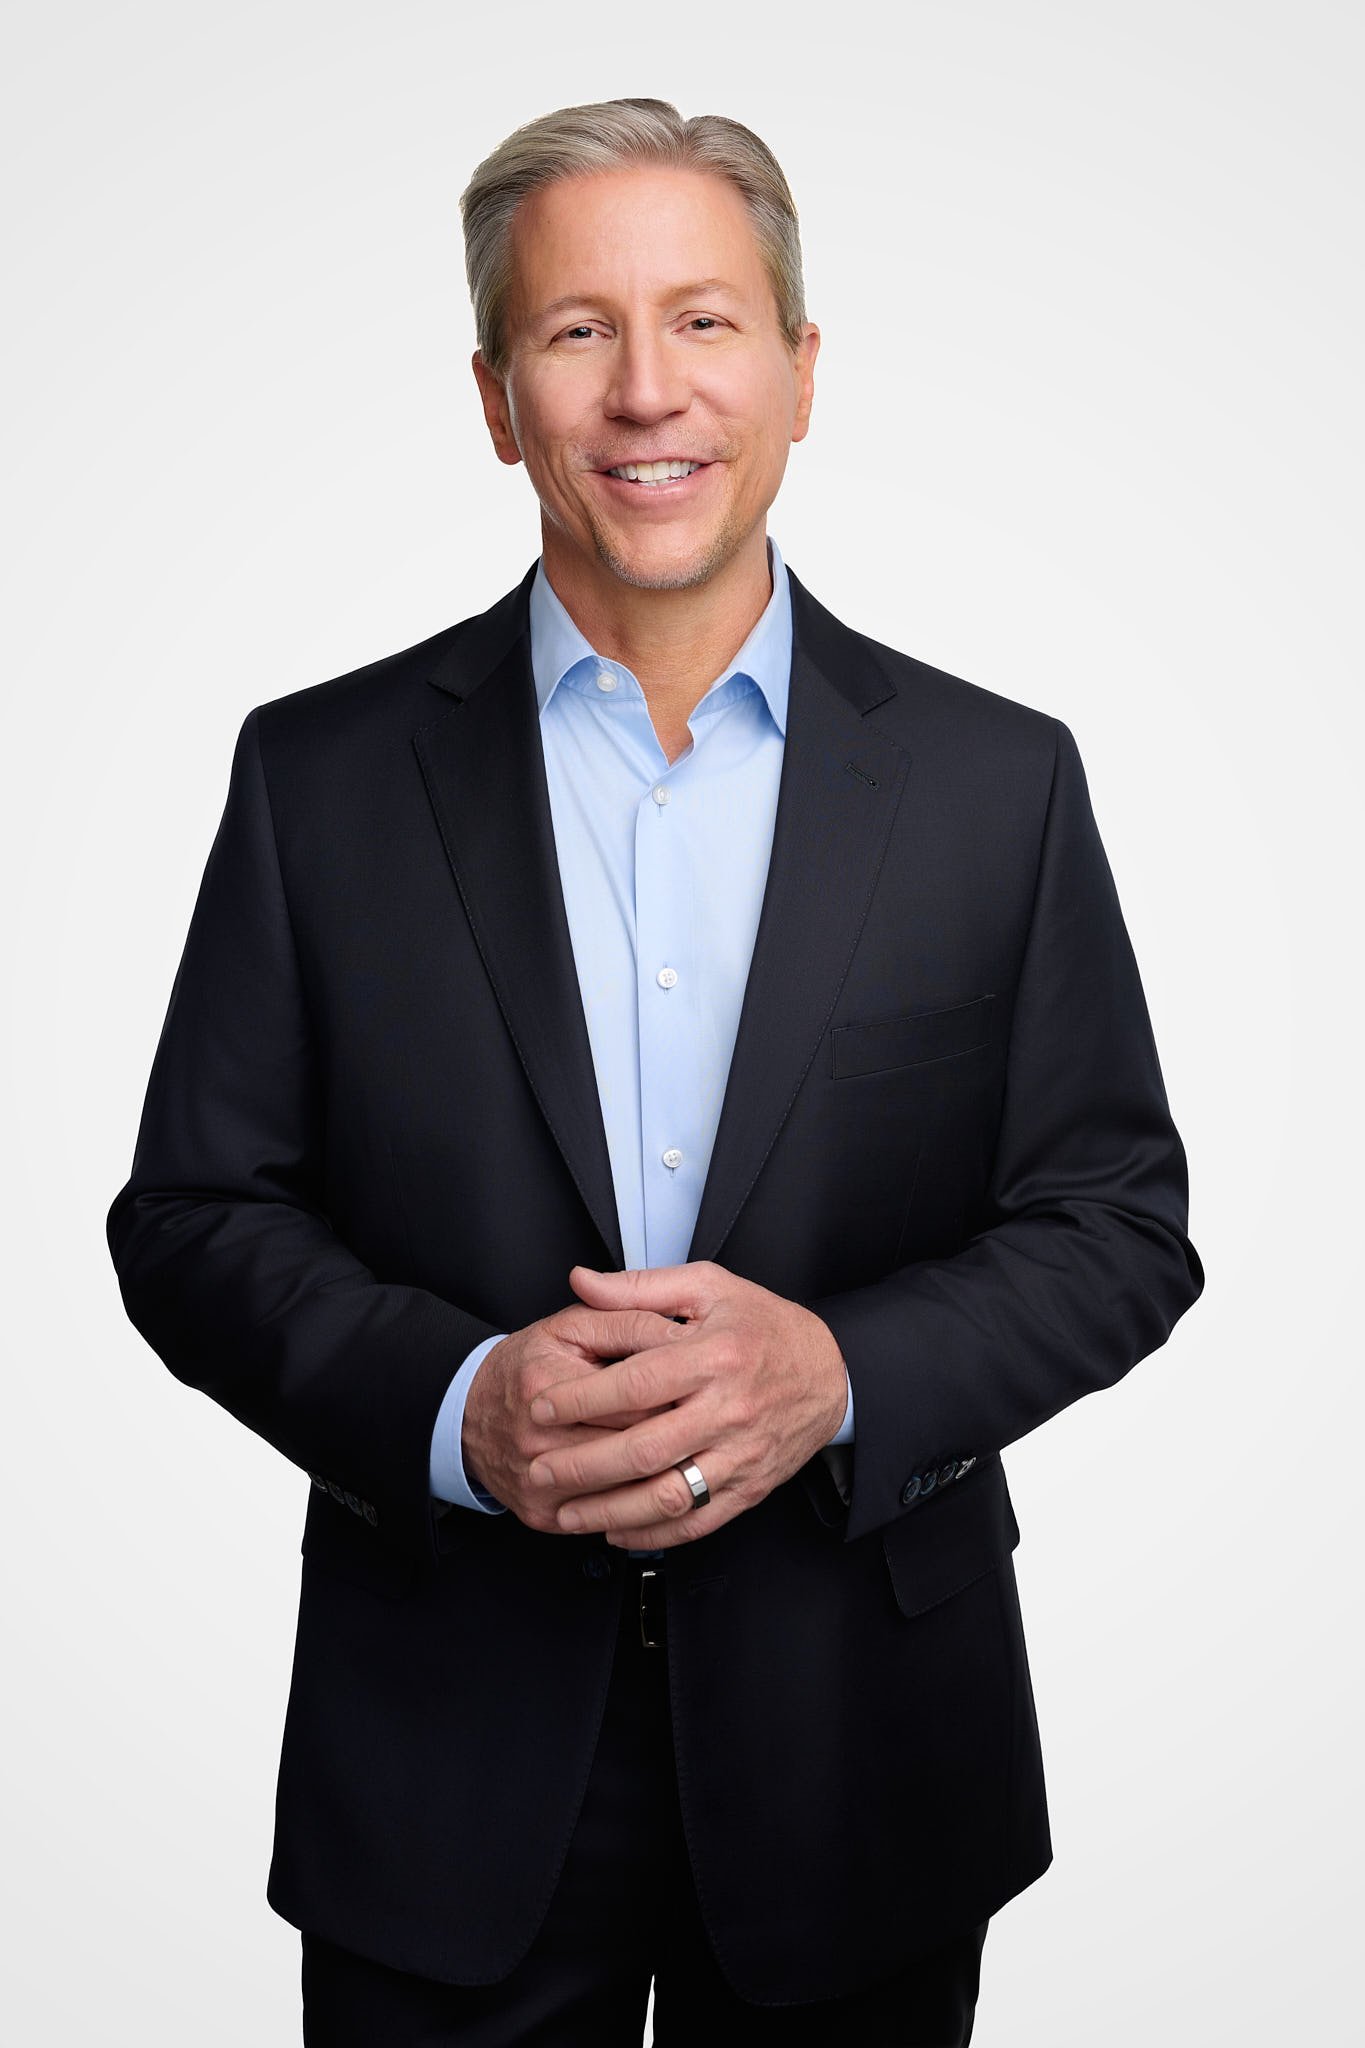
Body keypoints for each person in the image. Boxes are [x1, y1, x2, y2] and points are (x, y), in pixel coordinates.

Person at [106, 96, 1204, 2046]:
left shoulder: (994, 784)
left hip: (865, 1758)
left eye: (702, 320)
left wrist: (840, 1372)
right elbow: (194, 1218)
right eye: (574, 330)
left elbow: (1114, 1226)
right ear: (494, 397)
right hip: (440, 1763)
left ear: (798, 372)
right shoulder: (318, 778)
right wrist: (460, 1405)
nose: (643, 390)